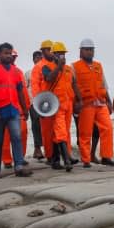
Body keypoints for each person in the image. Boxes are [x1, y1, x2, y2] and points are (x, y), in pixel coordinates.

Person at [0, 43, 33, 179]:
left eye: (10, 53)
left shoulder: (16, 72)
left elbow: (20, 92)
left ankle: (18, 166)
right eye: (5, 53)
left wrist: (25, 109)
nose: (8, 56)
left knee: (16, 137)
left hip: (13, 111)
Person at [72, 39, 114, 167]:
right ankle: (86, 159)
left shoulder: (98, 66)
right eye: (87, 49)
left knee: (107, 128)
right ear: (81, 51)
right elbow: (72, 85)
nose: (90, 52)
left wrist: (109, 102)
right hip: (86, 104)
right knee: (85, 133)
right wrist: (76, 102)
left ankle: (106, 157)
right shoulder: (74, 66)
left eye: (91, 50)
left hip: (100, 103)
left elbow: (104, 84)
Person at [41, 41, 82, 171]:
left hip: (68, 103)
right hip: (55, 104)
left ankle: (55, 159)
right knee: (60, 132)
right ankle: (67, 160)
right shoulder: (47, 67)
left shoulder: (69, 69)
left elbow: (74, 84)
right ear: (53, 55)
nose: (62, 56)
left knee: (63, 132)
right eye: (59, 54)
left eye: (63, 54)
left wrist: (79, 100)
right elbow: (49, 79)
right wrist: (58, 67)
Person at [1, 49, 30, 169]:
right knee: (6, 136)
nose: (13, 58)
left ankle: (20, 158)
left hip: (19, 108)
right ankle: (7, 160)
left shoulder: (19, 72)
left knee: (22, 133)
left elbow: (23, 91)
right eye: (10, 56)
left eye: (14, 56)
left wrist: (26, 107)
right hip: (5, 108)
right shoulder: (0, 71)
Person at [31, 40, 57, 165]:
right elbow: (35, 87)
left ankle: (60, 154)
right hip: (44, 103)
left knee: (58, 130)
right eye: (48, 50)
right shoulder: (38, 67)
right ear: (43, 51)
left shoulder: (55, 64)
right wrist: (39, 105)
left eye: (52, 50)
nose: (51, 52)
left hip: (56, 101)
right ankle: (50, 156)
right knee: (46, 131)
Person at [25, 50, 44, 160]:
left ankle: (49, 149)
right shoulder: (28, 73)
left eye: (40, 57)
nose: (39, 59)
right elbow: (25, 88)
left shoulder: (46, 70)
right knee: (36, 124)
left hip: (46, 102)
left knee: (46, 125)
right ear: (33, 60)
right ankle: (37, 149)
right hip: (33, 102)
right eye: (36, 58)